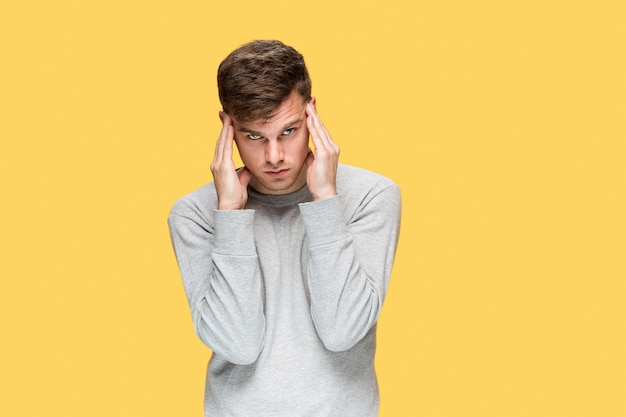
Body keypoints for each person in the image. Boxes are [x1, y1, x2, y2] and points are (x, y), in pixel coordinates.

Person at [168, 39, 402, 416]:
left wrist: (326, 200)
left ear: (312, 114)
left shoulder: (370, 197)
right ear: (227, 127)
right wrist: (229, 214)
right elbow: (238, 343)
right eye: (254, 136)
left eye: (289, 132)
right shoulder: (195, 214)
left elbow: (342, 331)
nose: (274, 156)